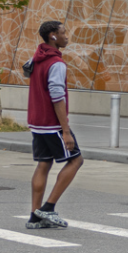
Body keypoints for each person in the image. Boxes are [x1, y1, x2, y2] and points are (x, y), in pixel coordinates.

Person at [25, 20, 82, 229]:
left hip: (37, 122)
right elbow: (57, 96)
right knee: (76, 160)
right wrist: (65, 130)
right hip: (52, 124)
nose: (67, 36)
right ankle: (48, 208)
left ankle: (34, 217)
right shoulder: (56, 63)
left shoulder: (37, 58)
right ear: (53, 36)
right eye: (63, 33)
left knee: (44, 163)